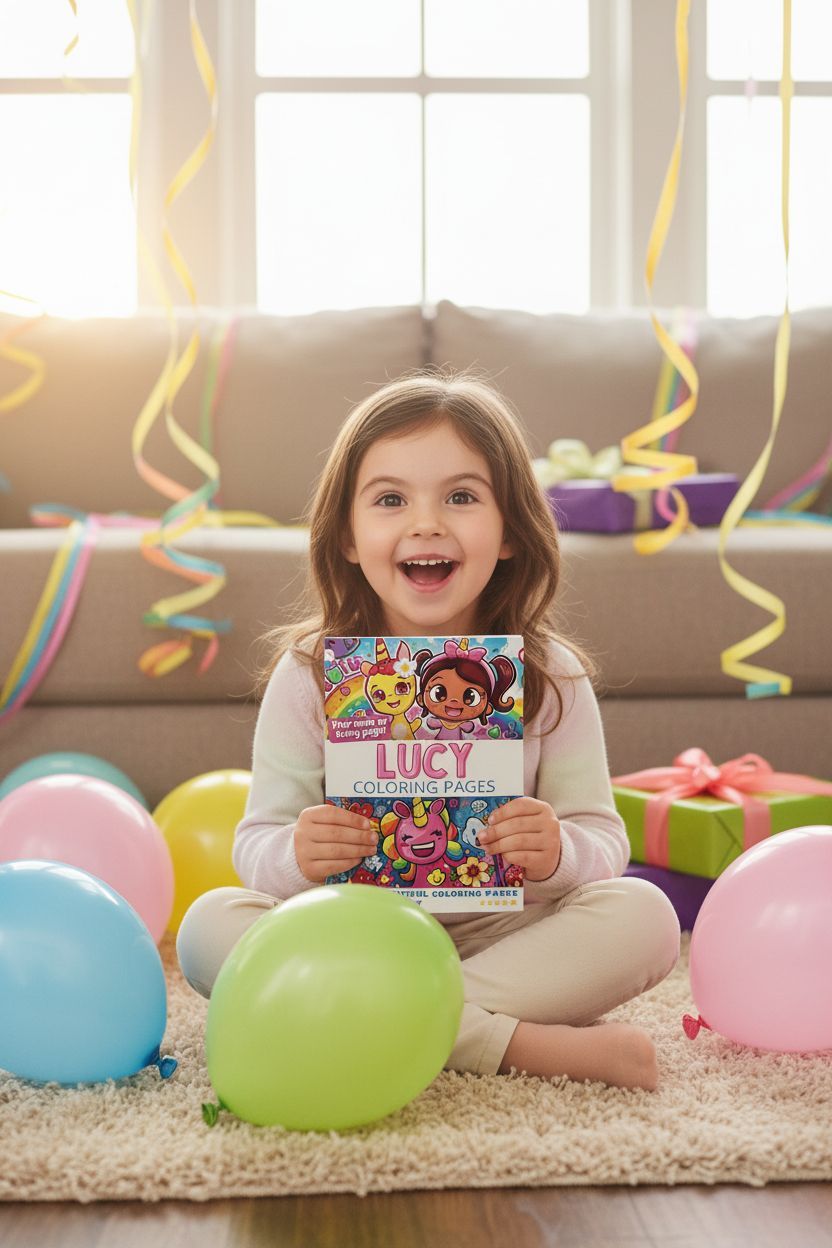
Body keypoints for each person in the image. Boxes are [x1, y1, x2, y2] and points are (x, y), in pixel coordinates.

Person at [176, 369, 681, 1092]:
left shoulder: (549, 674)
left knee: (646, 917)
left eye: (462, 497)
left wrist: (557, 850)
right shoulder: (311, 673)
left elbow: (604, 841)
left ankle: (377, 1021)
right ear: (348, 538)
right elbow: (256, 845)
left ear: (509, 532)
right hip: (353, 933)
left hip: (503, 933)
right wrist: (299, 853)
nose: (426, 523)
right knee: (210, 926)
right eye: (390, 499)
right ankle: (510, 1044)